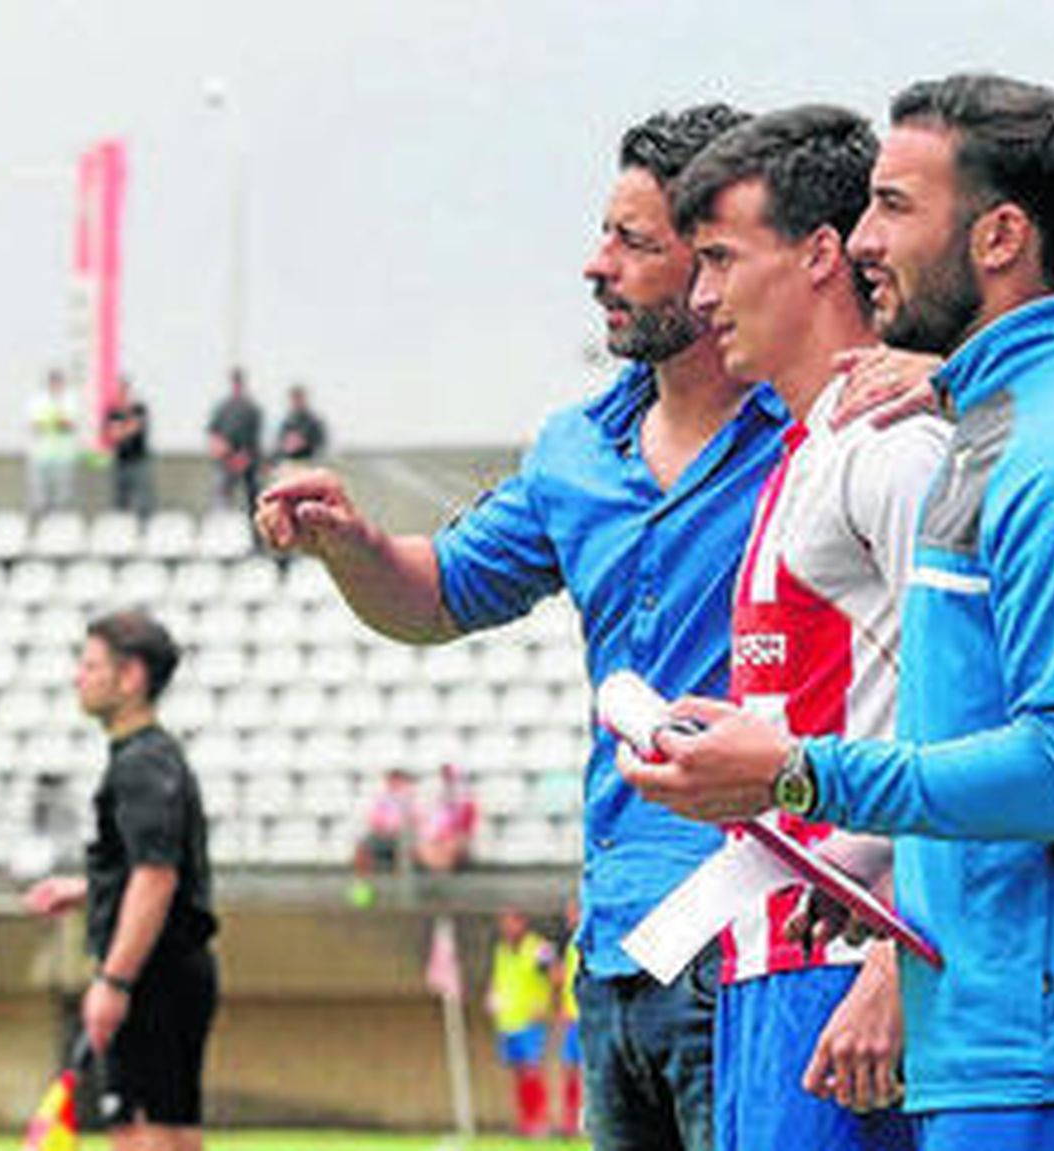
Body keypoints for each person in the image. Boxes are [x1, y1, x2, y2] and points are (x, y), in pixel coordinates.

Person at [254, 104, 932, 1151]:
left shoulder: (842, 425)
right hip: (618, 946)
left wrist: (956, 369)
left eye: (638, 243)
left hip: (780, 933)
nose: (595, 265)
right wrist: (350, 542)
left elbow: (951, 679)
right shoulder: (574, 447)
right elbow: (439, 594)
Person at [623, 73, 1054, 1151]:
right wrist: (885, 866)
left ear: (997, 236)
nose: (856, 242)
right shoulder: (987, 420)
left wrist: (800, 770)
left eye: (893, 207)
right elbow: (970, 731)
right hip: (997, 1048)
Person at [670, 105, 949, 1149]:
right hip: (767, 958)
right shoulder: (802, 453)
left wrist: (892, 958)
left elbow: (968, 706)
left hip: (849, 966)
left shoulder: (896, 447)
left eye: (721, 260)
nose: (702, 299)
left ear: (822, 254)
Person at [22, 611, 218, 1151]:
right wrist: (90, 887)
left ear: (130, 676)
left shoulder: (140, 764)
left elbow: (156, 878)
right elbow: (154, 869)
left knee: (141, 1135)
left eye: (90, 665)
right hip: (173, 969)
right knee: (173, 1133)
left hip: (151, 973)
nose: (77, 677)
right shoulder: (158, 757)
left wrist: (114, 982)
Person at [487, 909, 558, 1138]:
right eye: (504, 923)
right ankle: (525, 1121)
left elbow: (557, 975)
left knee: (532, 1070)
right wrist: (492, 995)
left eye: (511, 922)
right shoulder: (502, 950)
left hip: (530, 1020)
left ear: (522, 923)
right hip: (508, 1020)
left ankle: (540, 1121)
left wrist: (548, 1005)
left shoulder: (539, 948)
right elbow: (499, 979)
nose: (507, 928)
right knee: (518, 1072)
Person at [207, 366, 264, 515]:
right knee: (221, 498)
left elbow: (254, 436)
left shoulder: (252, 408)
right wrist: (221, 450)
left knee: (253, 498)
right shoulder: (223, 407)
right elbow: (214, 432)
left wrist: (243, 457)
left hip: (247, 460)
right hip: (226, 460)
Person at [28, 368, 81, 514]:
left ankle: (61, 523)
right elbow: (35, 426)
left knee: (63, 496)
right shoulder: (37, 401)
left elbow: (69, 425)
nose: (56, 385)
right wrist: (56, 421)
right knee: (39, 497)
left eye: (58, 382)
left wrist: (53, 422)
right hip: (40, 455)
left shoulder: (70, 401)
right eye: (53, 382)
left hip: (64, 455)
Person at [105, 375, 155, 519]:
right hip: (120, 462)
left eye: (125, 390)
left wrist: (123, 428)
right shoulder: (113, 412)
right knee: (120, 501)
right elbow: (114, 435)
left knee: (143, 501)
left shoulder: (139, 409)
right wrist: (127, 428)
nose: (122, 393)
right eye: (120, 391)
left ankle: (143, 532)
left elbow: (135, 428)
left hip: (139, 461)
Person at [554, 897, 584, 1137]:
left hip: (587, 1019)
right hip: (571, 1017)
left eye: (573, 912)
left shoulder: (588, 940)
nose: (569, 918)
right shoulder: (570, 944)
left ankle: (585, 1120)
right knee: (569, 1069)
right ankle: (570, 1119)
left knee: (586, 1072)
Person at [413, 762, 476, 873]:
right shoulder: (433, 802)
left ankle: (444, 875)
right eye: (446, 777)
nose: (448, 783)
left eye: (452, 778)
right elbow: (425, 825)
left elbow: (465, 830)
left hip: (453, 839)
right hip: (434, 838)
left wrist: (451, 836)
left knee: (449, 846)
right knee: (425, 847)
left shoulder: (466, 804)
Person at [273, 383, 328, 466]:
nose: (296, 402)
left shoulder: (313, 422)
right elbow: (280, 445)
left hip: (308, 463)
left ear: (304, 399)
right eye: (294, 399)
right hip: (289, 464)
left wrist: (304, 443)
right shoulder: (287, 423)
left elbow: (321, 445)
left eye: (299, 398)